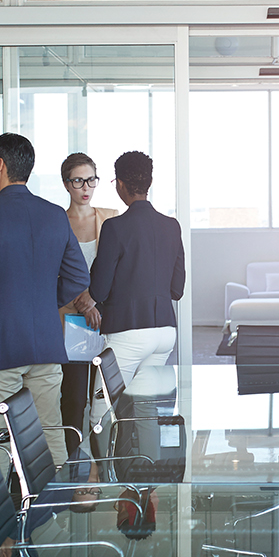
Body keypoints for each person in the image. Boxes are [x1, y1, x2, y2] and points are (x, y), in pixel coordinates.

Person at [0, 133, 89, 474]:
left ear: (0, 165)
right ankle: (57, 506)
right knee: (51, 433)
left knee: (2, 439)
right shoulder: (55, 215)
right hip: (46, 343)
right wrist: (44, 302)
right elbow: (78, 277)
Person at [88, 150, 186, 387]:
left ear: (120, 183)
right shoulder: (172, 226)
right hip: (165, 332)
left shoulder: (115, 227)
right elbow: (177, 290)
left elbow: (98, 291)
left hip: (127, 330)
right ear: (149, 182)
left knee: (105, 405)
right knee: (145, 404)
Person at [57, 153, 115, 506]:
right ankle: (71, 460)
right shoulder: (57, 221)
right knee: (74, 398)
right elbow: (52, 271)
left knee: (104, 400)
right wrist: (84, 304)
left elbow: (117, 268)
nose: (86, 187)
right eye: (78, 180)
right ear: (66, 183)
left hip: (106, 321)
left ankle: (99, 458)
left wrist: (97, 305)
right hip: (71, 321)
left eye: (91, 179)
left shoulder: (110, 218)